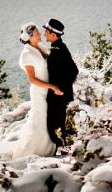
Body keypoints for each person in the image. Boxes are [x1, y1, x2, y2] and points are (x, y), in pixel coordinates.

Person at [12, 22, 64, 159]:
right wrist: (53, 87)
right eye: (37, 33)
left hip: (49, 91)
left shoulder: (40, 46)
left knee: (49, 119)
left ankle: (48, 148)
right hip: (39, 92)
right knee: (38, 120)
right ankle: (30, 151)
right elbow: (33, 80)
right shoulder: (26, 54)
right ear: (29, 37)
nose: (40, 34)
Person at [43, 18, 79, 151]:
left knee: (54, 125)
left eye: (46, 31)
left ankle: (64, 150)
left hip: (58, 94)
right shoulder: (56, 47)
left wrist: (60, 89)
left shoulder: (60, 49)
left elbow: (74, 70)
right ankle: (63, 148)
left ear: (53, 34)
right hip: (56, 94)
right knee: (56, 124)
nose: (44, 33)